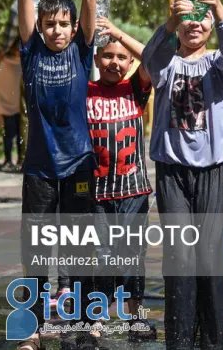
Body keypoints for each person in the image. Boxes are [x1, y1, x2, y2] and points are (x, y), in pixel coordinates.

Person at [142, 0, 223, 349]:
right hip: (172, 172)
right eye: (187, 19)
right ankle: (180, 340)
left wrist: (217, 8)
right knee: (180, 254)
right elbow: (148, 56)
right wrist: (170, 21)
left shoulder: (218, 64)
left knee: (209, 255)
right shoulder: (167, 64)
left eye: (200, 19)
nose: (193, 25)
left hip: (212, 172)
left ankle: (214, 340)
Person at [16, 0, 98, 350]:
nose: (57, 30)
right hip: (40, 168)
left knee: (78, 249)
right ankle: (29, 330)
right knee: (36, 251)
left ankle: (80, 321)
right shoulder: (30, 54)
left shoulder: (82, 53)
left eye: (64, 24)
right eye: (50, 24)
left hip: (79, 162)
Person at [86, 18, 156, 341]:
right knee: (102, 255)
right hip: (98, 191)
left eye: (121, 57)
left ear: (130, 62)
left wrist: (118, 35)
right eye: (107, 55)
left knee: (132, 255)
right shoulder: (85, 92)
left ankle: (134, 316)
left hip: (133, 191)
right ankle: (97, 317)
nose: (114, 62)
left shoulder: (135, 89)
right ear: (97, 59)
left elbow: (153, 56)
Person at [0, 38, 23, 172]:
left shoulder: (24, 62)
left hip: (21, 106)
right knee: (9, 135)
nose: (17, 52)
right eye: (16, 49)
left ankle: (21, 160)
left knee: (21, 135)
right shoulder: (3, 62)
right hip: (7, 106)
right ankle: (8, 160)